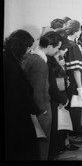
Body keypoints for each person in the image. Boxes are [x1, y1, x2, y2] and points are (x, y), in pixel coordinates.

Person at [21, 31, 62, 160]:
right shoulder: (40, 62)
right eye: (57, 48)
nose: (57, 51)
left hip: (31, 106)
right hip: (41, 108)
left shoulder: (29, 56)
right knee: (43, 141)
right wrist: (43, 109)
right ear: (49, 47)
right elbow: (39, 88)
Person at [4, 30, 40, 161]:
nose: (27, 51)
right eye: (26, 48)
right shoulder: (10, 63)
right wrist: (33, 107)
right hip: (15, 113)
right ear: (20, 46)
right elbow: (18, 90)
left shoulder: (9, 57)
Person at [47, 31, 74, 160]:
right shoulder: (52, 61)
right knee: (58, 125)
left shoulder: (58, 59)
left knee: (61, 124)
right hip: (58, 97)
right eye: (63, 50)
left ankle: (62, 145)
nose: (65, 52)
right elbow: (54, 83)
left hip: (61, 94)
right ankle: (57, 148)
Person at [64, 19, 82, 144]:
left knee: (68, 108)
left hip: (64, 81)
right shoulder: (74, 46)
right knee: (76, 109)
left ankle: (67, 135)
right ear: (77, 31)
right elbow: (76, 70)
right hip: (74, 82)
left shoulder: (64, 43)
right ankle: (75, 134)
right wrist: (80, 88)